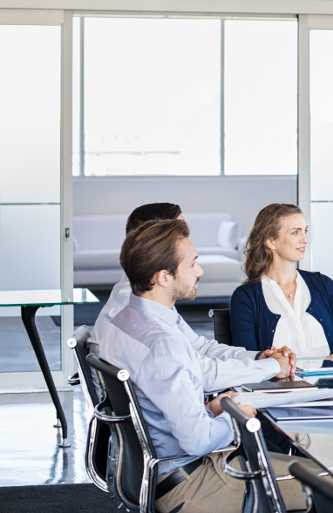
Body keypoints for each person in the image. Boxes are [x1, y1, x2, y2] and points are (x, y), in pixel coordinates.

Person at [94, 219, 307, 513]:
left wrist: (212, 408)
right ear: (164, 277)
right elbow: (196, 441)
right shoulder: (162, 343)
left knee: (304, 469)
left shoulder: (125, 321)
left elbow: (160, 405)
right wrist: (237, 418)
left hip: (159, 474)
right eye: (192, 264)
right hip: (193, 484)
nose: (200, 271)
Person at [89, 203, 288, 391]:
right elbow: (199, 373)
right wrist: (270, 367)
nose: (188, 241)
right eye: (180, 232)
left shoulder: (147, 298)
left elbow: (197, 347)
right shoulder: (137, 312)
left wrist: (258, 357)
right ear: (157, 243)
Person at [230, 204, 333, 358]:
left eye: (305, 231)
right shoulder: (245, 297)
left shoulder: (324, 285)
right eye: (295, 232)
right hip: (280, 383)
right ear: (271, 242)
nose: (305, 239)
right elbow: (246, 360)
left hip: (326, 381)